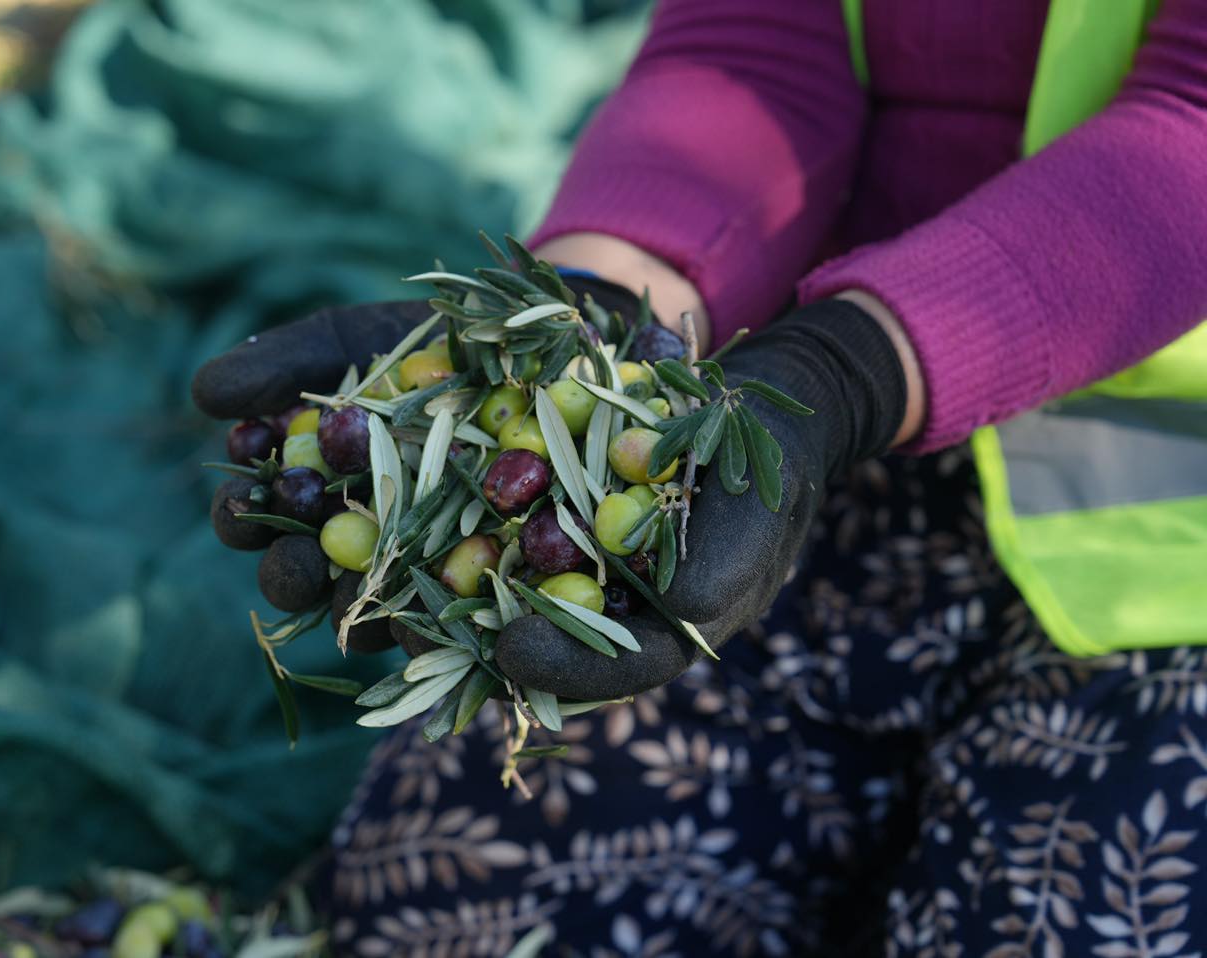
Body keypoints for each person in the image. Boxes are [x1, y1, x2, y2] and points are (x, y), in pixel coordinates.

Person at [192, 0, 1207, 953]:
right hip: (782, 456)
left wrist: (848, 369)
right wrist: (597, 303)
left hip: (1161, 550)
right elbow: (747, 46)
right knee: (454, 906)